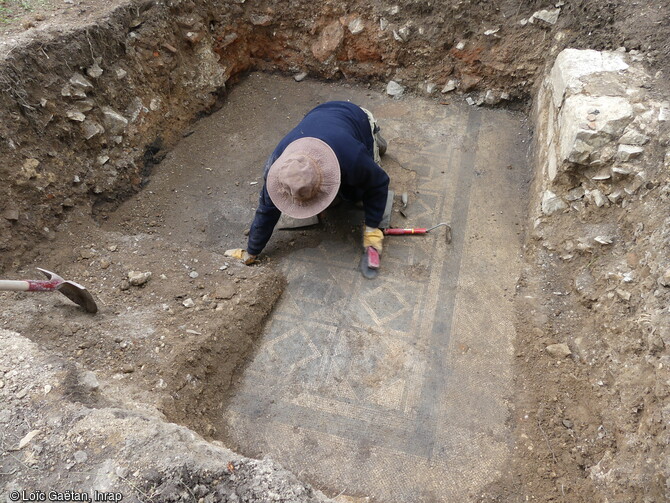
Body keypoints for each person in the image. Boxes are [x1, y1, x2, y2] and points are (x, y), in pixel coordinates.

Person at [225, 100, 389, 270]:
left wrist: (372, 228)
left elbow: (379, 183)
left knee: (355, 193)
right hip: (317, 115)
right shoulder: (278, 170)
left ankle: (375, 135)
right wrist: (252, 251)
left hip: (354, 117)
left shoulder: (351, 157)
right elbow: (266, 210)